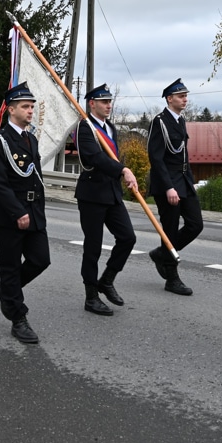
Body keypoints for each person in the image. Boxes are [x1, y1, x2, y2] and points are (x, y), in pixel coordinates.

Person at [0, 83, 50, 344]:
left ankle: (6, 291)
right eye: (25, 106)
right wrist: (17, 212)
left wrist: (36, 211)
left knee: (40, 260)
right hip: (9, 215)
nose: (30, 110)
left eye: (32, 106)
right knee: (10, 267)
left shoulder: (30, 138)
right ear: (11, 110)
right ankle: (17, 317)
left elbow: (35, 176)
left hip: (33, 211)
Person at [74, 84, 138, 316]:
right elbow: (96, 158)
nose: (109, 105)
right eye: (104, 102)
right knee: (93, 247)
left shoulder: (109, 127)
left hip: (112, 193)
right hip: (92, 194)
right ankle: (91, 296)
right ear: (92, 104)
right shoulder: (84, 127)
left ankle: (107, 280)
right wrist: (123, 170)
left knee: (128, 237)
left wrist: (122, 174)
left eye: (110, 102)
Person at [146, 78, 201, 296]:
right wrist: (169, 187)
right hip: (166, 182)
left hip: (184, 179)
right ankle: (172, 278)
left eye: (186, 96)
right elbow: (156, 158)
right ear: (170, 99)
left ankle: (162, 254)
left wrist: (190, 180)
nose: (185, 99)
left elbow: (183, 153)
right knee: (168, 230)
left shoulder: (180, 121)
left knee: (195, 224)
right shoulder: (159, 122)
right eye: (180, 96)